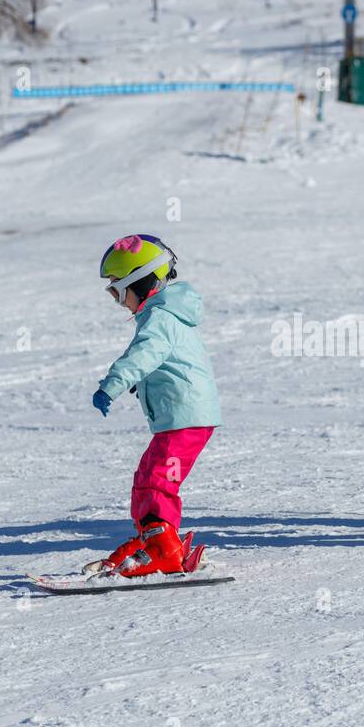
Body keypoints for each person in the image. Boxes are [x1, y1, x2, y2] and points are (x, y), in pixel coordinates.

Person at [84, 235, 222, 576]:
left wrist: (112, 385)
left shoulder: (159, 318)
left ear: (141, 282)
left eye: (118, 292)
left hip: (186, 417)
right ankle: (153, 540)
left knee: (159, 479)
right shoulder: (163, 315)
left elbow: (143, 356)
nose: (119, 302)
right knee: (147, 476)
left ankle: (165, 550)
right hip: (180, 417)